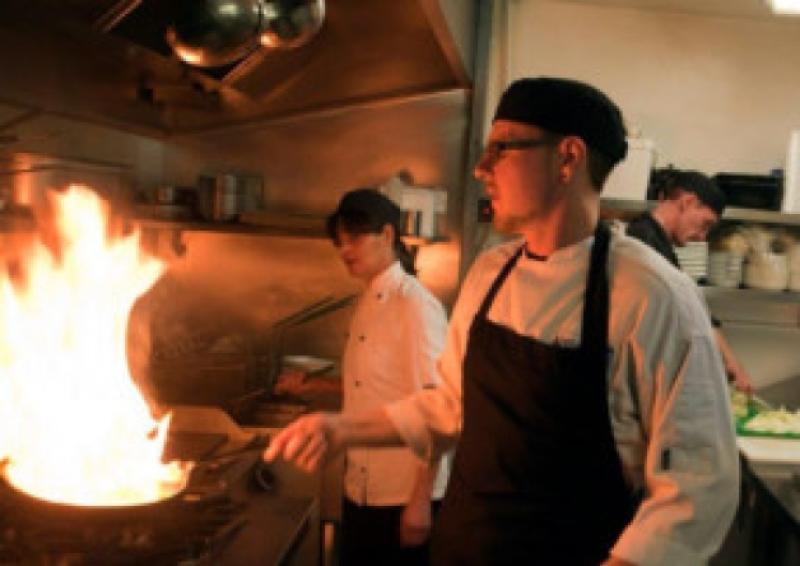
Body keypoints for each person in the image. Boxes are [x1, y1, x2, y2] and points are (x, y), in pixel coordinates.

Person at [264, 77, 740, 565]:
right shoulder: (491, 272)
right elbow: (450, 404)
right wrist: (344, 429)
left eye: (501, 149)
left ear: (568, 157)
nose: (480, 168)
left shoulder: (651, 293)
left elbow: (699, 484)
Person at [275, 188, 450, 566]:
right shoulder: (366, 301)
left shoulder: (415, 306)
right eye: (339, 241)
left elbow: (437, 409)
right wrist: (312, 387)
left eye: (355, 237)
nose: (344, 249)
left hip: (401, 496)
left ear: (387, 235)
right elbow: (372, 387)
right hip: (360, 487)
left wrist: (420, 502)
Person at [626, 169, 754, 393]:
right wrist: (730, 362)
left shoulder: (657, 241)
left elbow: (693, 307)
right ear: (688, 202)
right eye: (705, 224)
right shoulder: (642, 240)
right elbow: (689, 311)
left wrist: (728, 360)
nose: (702, 237)